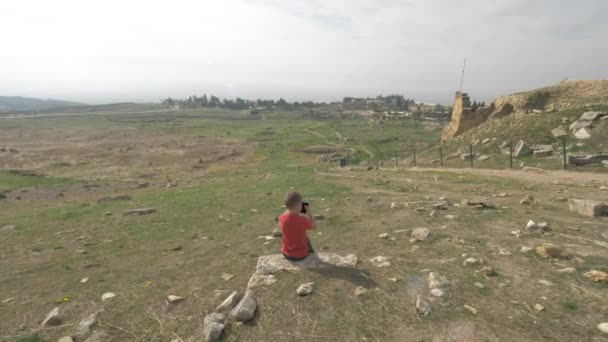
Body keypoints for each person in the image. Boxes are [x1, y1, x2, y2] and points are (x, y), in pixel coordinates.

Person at [279, 191, 316, 261]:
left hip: (286, 254)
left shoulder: (282, 218)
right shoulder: (303, 220)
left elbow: (287, 214)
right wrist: (309, 212)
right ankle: (312, 255)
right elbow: (314, 226)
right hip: (300, 255)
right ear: (299, 205)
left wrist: (292, 209)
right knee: (306, 238)